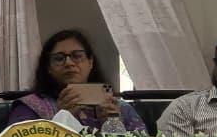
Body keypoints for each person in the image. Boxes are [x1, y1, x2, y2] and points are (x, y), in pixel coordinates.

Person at [8, 29, 145, 131]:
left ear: (90, 62)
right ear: (48, 67)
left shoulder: (120, 108)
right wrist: (60, 118)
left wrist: (114, 124)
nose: (69, 63)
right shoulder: (31, 107)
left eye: (77, 56)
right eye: (59, 58)